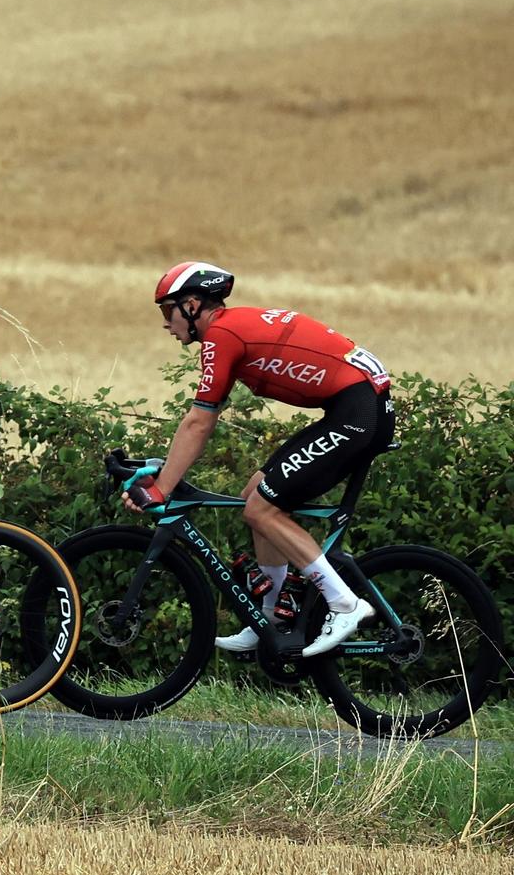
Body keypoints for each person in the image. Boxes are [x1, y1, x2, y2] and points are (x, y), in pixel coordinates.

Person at [125, 262, 392, 657]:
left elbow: (199, 422)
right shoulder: (231, 329)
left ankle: (344, 603)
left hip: (358, 413)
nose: (166, 323)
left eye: (168, 311)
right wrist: (166, 476)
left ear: (192, 305)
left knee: (262, 510)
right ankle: (273, 618)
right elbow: (202, 419)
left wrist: (162, 487)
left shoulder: (222, 335)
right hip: (354, 407)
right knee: (255, 495)